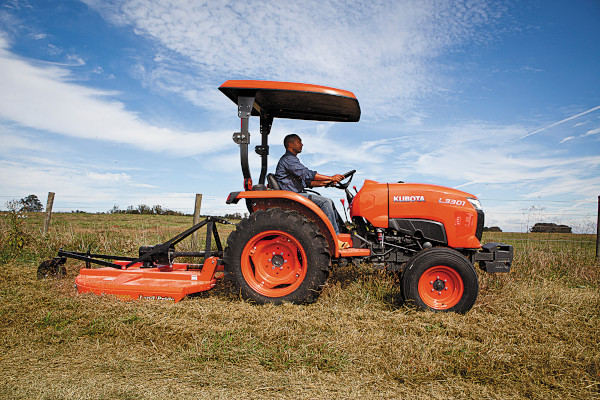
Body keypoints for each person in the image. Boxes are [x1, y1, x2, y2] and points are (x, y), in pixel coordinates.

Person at [275, 133, 346, 239]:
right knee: (325, 202)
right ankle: (335, 237)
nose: (302, 145)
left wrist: (327, 183)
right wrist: (331, 178)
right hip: (293, 195)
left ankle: (342, 231)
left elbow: (307, 182)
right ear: (290, 144)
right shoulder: (288, 159)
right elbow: (306, 174)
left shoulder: (292, 160)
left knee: (329, 202)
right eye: (299, 142)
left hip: (296, 193)